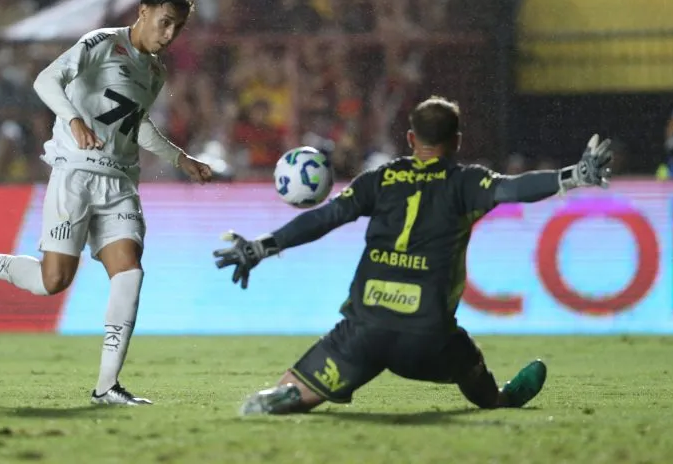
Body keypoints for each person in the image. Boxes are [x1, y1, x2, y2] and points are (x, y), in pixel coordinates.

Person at [214, 96, 613, 415]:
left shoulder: (381, 178)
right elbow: (514, 189)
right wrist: (573, 176)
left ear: (410, 139)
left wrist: (262, 247)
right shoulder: (466, 182)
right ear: (457, 141)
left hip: (364, 333)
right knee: (470, 364)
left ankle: (282, 397)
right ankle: (502, 399)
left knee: (297, 387)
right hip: (428, 341)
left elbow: (327, 216)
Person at [0, 0, 213, 405]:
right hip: (76, 174)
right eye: (164, 23)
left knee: (130, 271)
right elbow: (46, 80)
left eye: (177, 28)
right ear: (142, 11)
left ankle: (107, 386)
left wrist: (182, 159)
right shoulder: (101, 43)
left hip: (121, 182)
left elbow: (136, 123)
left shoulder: (155, 71)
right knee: (53, 281)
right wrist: (72, 119)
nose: (169, 35)